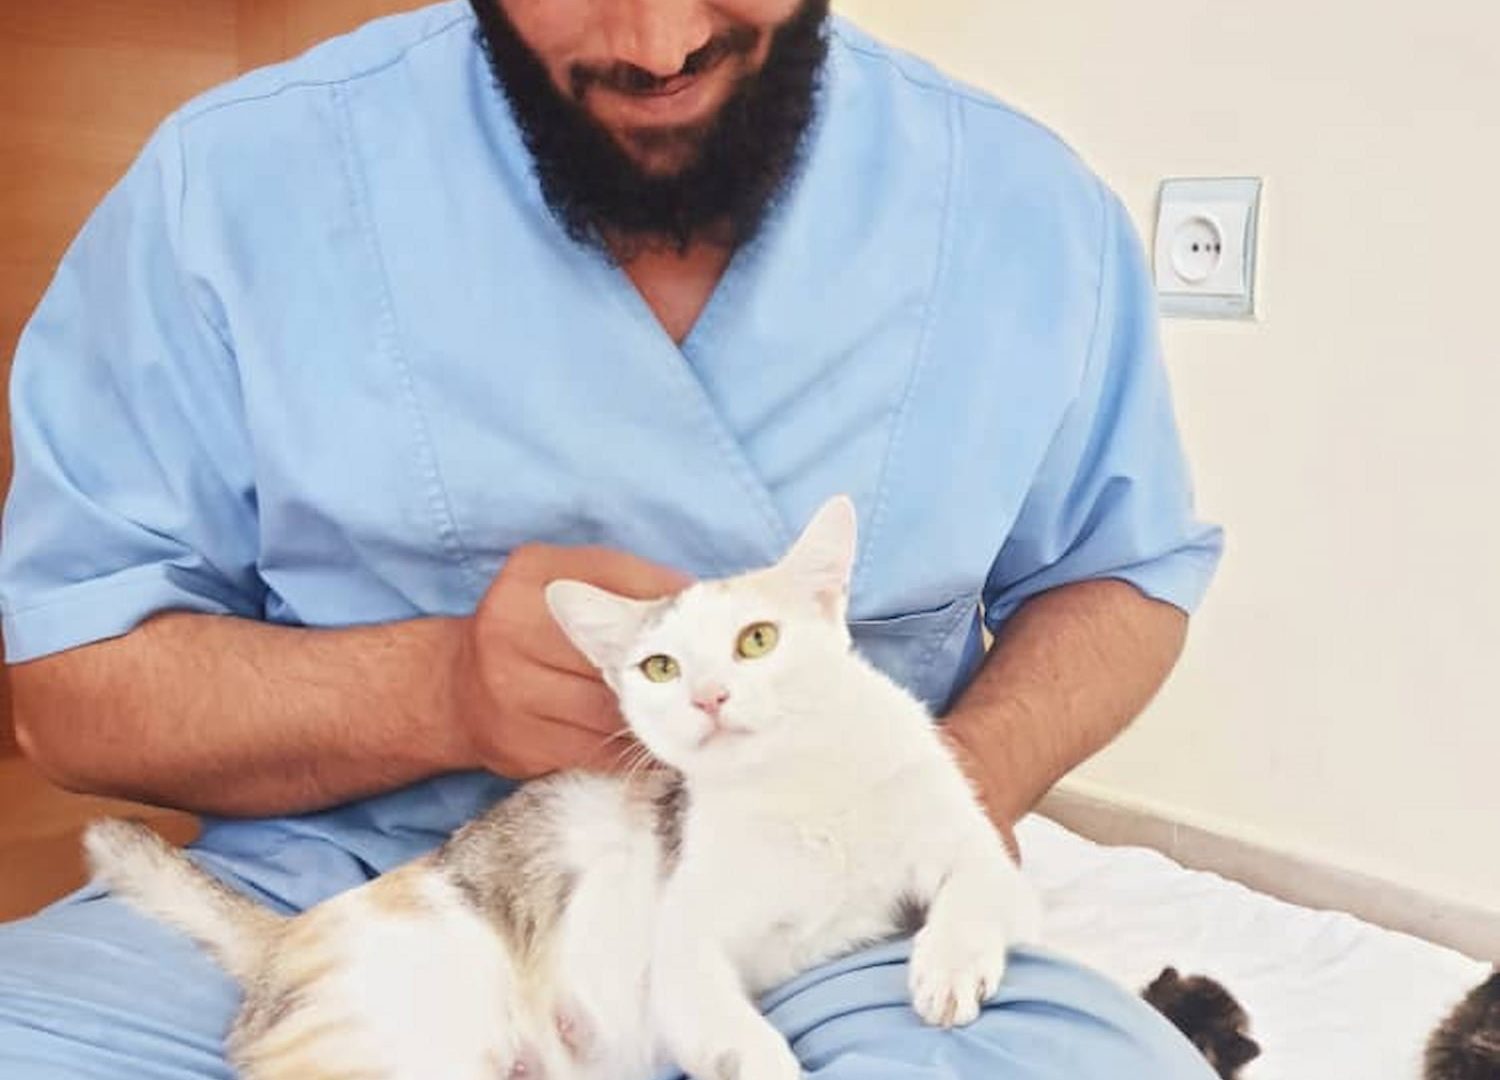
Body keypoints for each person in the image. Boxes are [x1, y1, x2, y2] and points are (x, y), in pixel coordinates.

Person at [0, 1, 1224, 1076]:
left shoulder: (1026, 214)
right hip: (355, 896)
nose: (659, 44)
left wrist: (939, 796)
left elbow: (1121, 573)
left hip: (843, 913)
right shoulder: (228, 190)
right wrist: (434, 691)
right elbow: (70, 691)